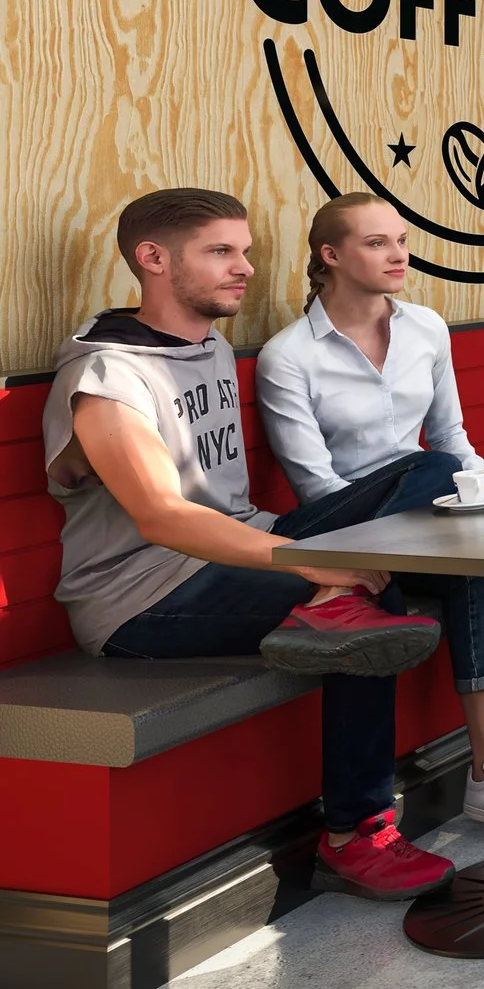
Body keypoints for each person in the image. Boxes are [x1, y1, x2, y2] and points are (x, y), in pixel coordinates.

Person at [44, 189, 460, 900]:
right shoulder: (108, 376)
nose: (247, 268)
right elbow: (163, 519)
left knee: (436, 471)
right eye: (221, 252)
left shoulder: (201, 343)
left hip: (238, 543)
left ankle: (478, 735)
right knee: (371, 604)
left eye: (246, 251)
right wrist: (309, 563)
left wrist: (317, 559)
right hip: (144, 595)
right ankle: (354, 835)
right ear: (152, 259)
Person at [257, 193, 484, 832]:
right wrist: (450, 498)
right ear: (331, 255)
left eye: (401, 240)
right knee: (432, 473)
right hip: (348, 530)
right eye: (377, 243)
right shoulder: (288, 357)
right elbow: (316, 487)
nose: (398, 254)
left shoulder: (426, 327)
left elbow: (453, 436)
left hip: (432, 517)